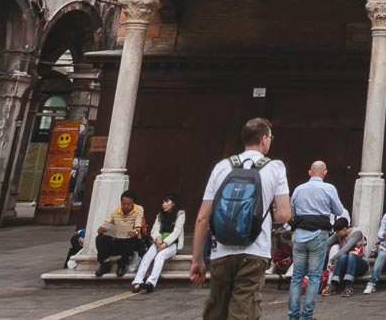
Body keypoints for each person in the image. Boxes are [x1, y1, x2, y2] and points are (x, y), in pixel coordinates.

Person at [190, 117, 292, 320]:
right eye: (271, 137)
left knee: (216, 309)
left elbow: (202, 217)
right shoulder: (275, 168)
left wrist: (197, 259)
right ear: (264, 139)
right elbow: (284, 214)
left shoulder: (221, 166)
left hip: (220, 250)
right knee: (244, 310)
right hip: (254, 250)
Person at [287, 160, 347, 320]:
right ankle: (307, 316)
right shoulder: (329, 188)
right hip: (318, 234)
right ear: (325, 173)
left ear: (309, 172)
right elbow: (339, 210)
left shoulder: (299, 189)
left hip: (300, 234)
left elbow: (292, 212)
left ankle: (293, 315)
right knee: (314, 277)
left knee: (297, 277)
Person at [132, 194, 184, 293]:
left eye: (167, 202)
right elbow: (155, 229)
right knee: (148, 255)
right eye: (163, 202)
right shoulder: (160, 215)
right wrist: (158, 238)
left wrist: (165, 243)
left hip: (172, 244)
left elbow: (177, 231)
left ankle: (150, 283)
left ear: (173, 203)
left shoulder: (180, 214)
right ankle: (137, 281)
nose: (164, 204)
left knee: (160, 256)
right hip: (158, 242)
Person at [93, 191, 145, 277]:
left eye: (129, 204)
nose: (126, 206)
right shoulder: (114, 210)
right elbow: (106, 224)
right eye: (124, 203)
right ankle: (105, 264)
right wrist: (101, 230)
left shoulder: (139, 209)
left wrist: (135, 231)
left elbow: (138, 227)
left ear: (133, 203)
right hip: (116, 240)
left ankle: (122, 264)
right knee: (100, 238)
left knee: (131, 239)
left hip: (129, 240)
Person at [325, 220, 367, 294]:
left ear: (344, 229)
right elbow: (326, 242)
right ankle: (334, 284)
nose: (337, 234)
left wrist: (332, 259)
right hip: (346, 265)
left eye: (338, 232)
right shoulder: (339, 235)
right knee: (343, 256)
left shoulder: (357, 233)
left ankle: (348, 285)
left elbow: (346, 248)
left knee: (350, 255)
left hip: (360, 264)